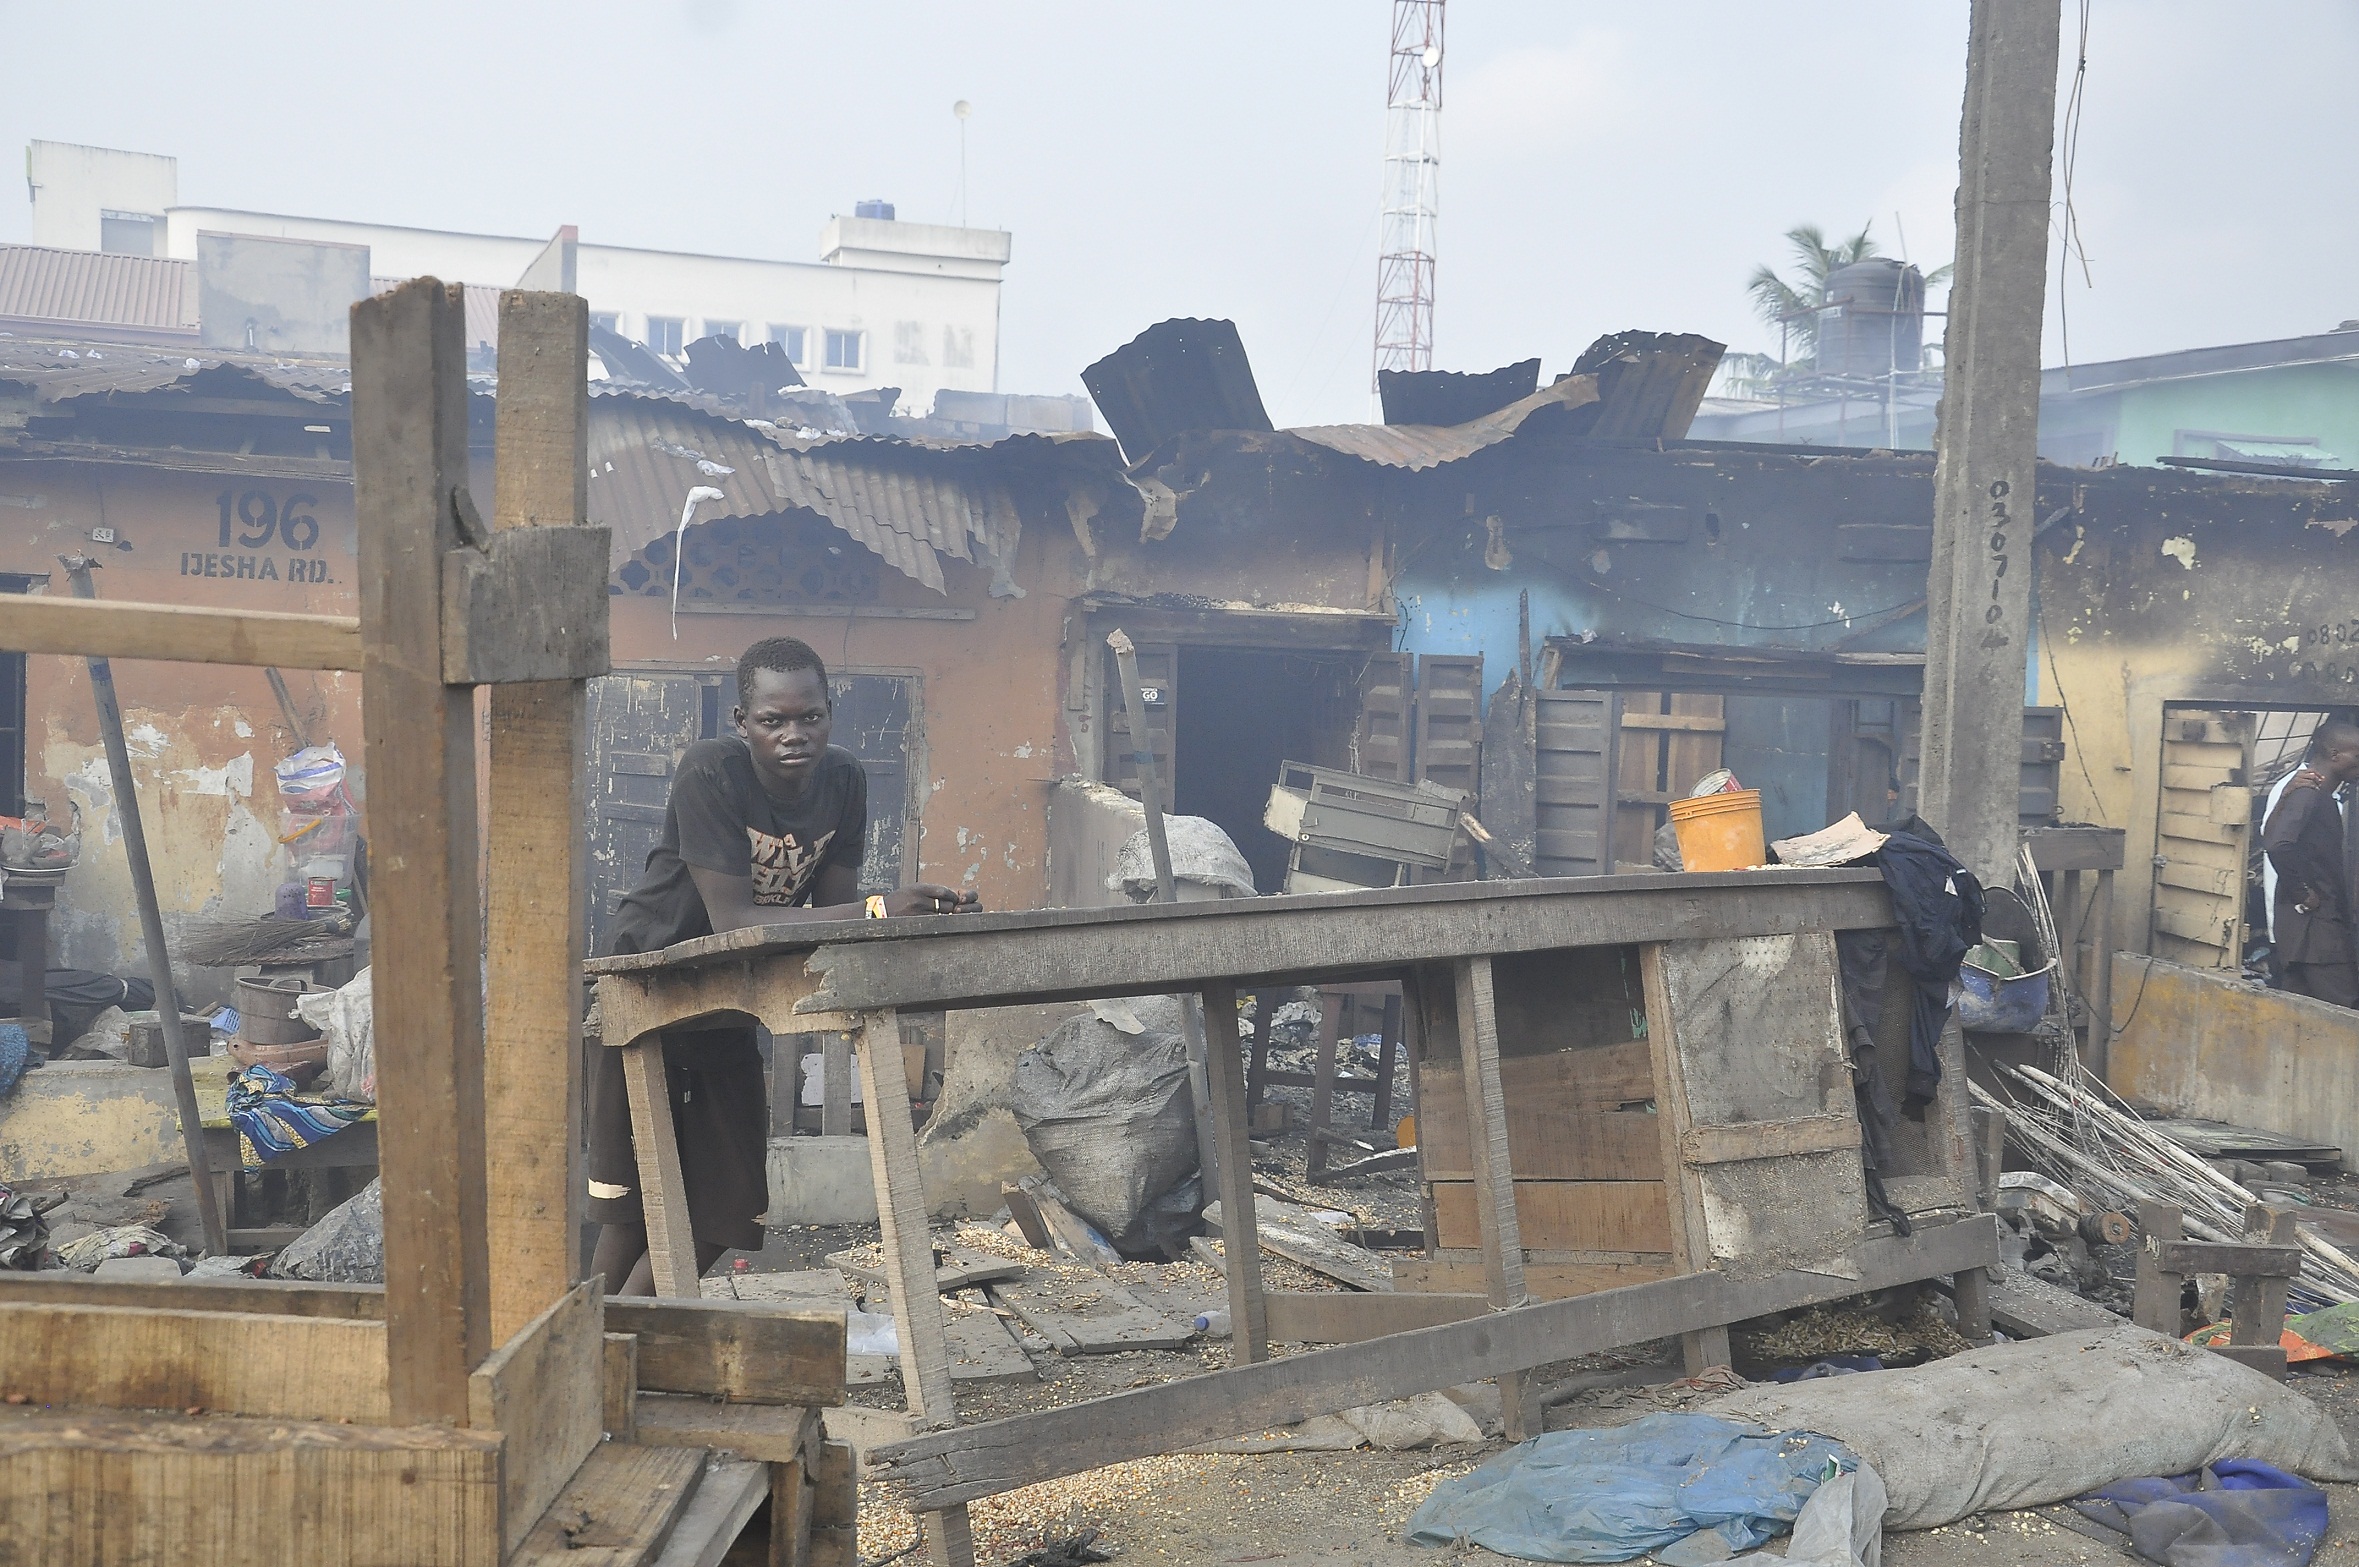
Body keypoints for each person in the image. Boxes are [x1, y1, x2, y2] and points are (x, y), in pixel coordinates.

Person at [587, 636, 979, 1294]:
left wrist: (916, 915)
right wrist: (881, 908)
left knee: (732, 1201)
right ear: (744, 724)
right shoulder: (711, 770)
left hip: (729, 995)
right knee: (632, 1205)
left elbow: (834, 910)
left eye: (810, 717)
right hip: (650, 981)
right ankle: (594, 1338)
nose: (794, 734)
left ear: (829, 713)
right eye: (773, 720)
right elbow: (735, 921)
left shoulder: (844, 781)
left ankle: (627, 1319)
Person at [2261, 716, 2359, 1008]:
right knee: (2345, 1013)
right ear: (2334, 755)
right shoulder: (2309, 793)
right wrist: (2303, 893)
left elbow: (2270, 836)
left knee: (2299, 1015)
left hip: (2300, 934)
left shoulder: (2313, 792)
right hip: (2318, 935)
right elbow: (2278, 845)